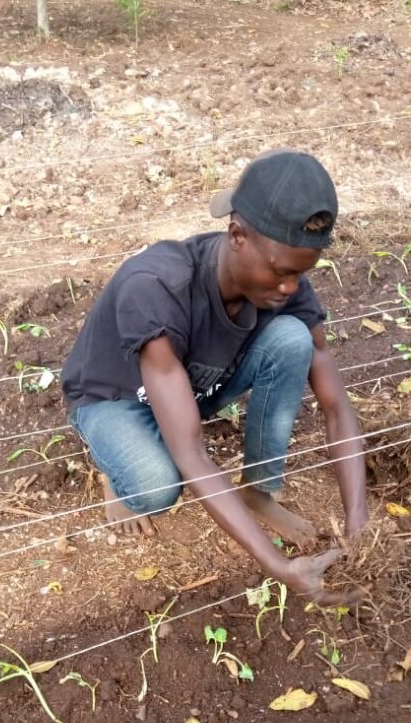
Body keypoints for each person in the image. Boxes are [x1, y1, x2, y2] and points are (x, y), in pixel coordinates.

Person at [62, 149, 368, 606]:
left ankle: (258, 492)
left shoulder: (286, 290)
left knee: (292, 338)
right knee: (157, 486)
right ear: (237, 234)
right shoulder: (158, 286)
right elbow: (191, 451)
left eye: (302, 274)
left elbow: (337, 408)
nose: (290, 287)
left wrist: (359, 526)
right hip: (116, 397)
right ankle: (111, 471)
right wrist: (278, 566)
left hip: (193, 385)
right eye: (282, 272)